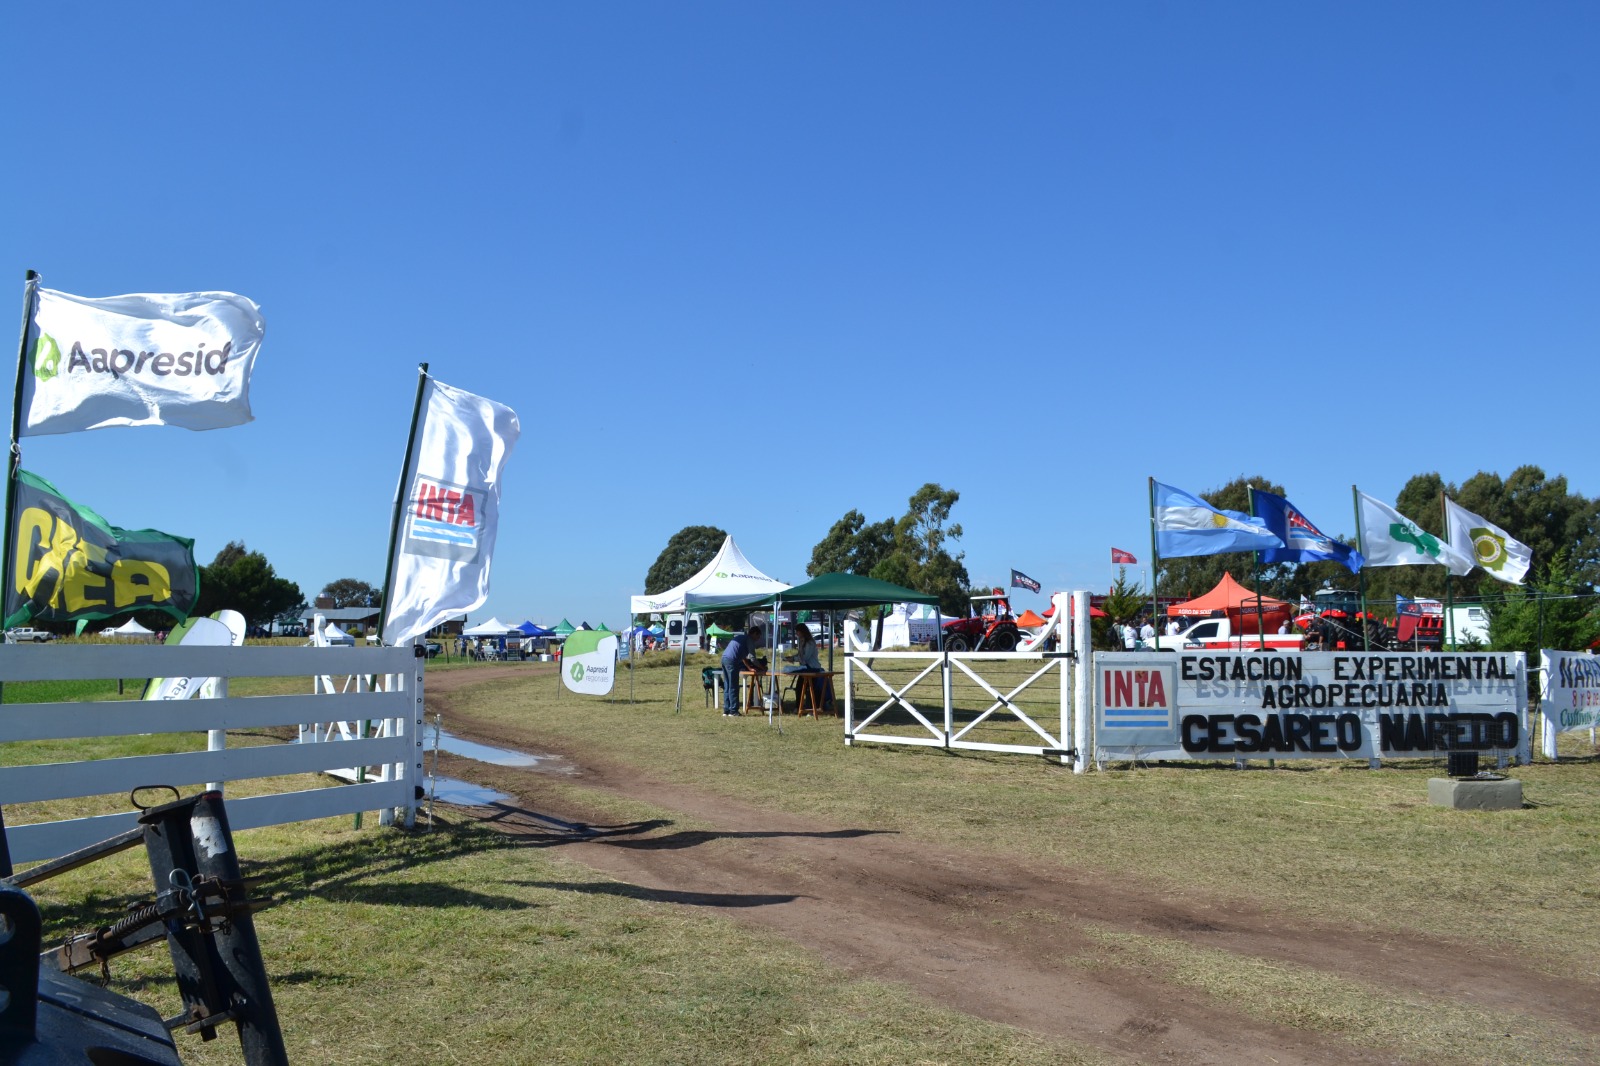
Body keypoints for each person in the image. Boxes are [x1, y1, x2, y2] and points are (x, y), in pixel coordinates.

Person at [721, 625, 764, 716]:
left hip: (724, 658)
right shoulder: (749, 640)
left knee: (727, 685)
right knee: (733, 686)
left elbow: (743, 657)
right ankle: (734, 711)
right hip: (732, 661)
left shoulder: (741, 638)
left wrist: (749, 668)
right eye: (758, 636)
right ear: (754, 634)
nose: (758, 639)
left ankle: (726, 710)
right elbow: (752, 658)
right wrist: (762, 667)